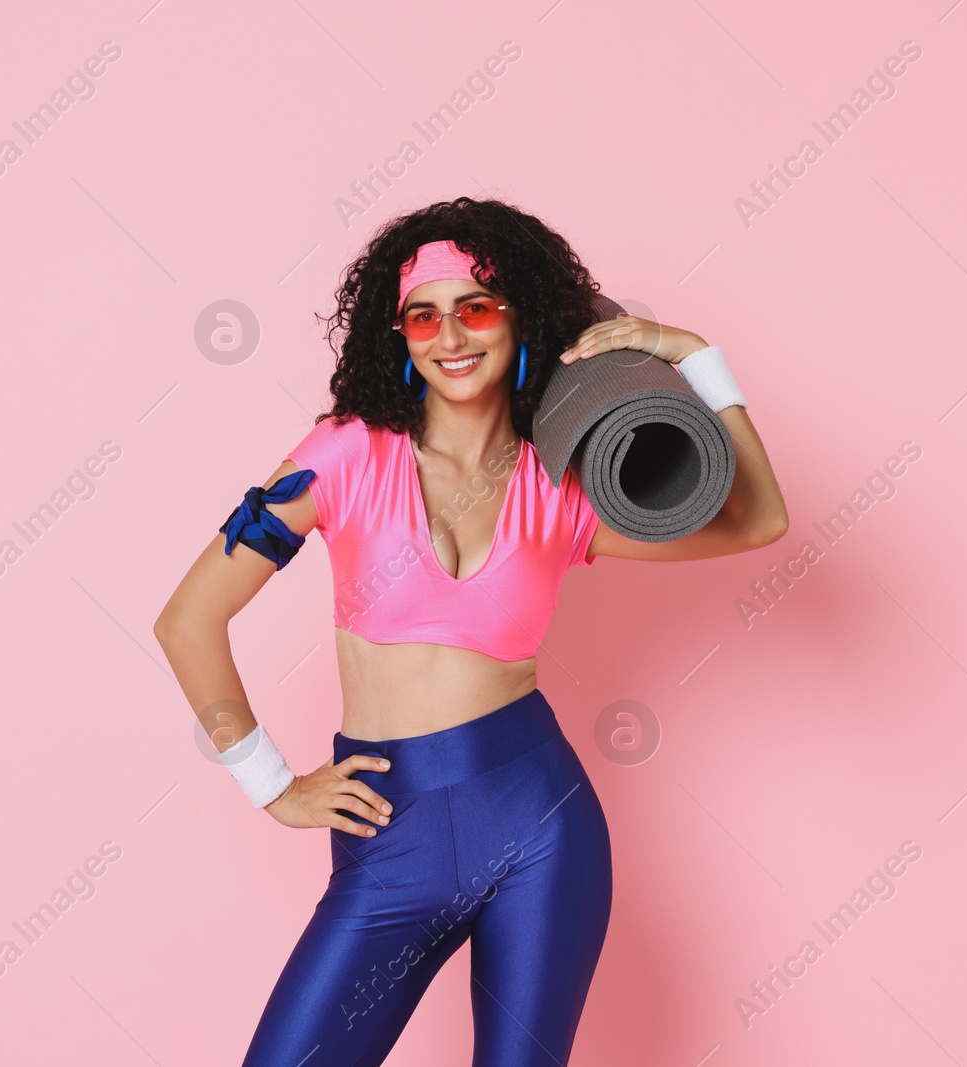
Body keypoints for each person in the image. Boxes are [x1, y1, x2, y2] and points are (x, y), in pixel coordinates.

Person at [155, 196, 788, 1066]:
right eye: (424, 314)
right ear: (400, 335)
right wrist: (271, 782)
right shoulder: (342, 455)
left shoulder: (561, 492)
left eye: (477, 307)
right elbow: (189, 618)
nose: (450, 336)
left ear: (519, 317)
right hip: (390, 829)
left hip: (541, 822)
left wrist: (698, 360)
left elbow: (758, 519)